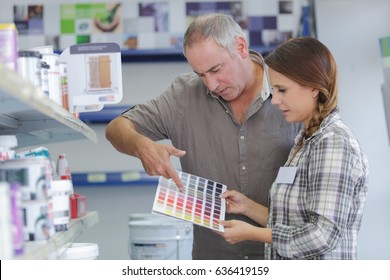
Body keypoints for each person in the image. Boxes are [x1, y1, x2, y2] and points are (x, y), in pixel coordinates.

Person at [105, 13, 301, 260]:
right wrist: (141, 145)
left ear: (240, 47)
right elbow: (116, 128)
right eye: (200, 74)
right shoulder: (183, 96)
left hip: (285, 258)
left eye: (216, 69)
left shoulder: (290, 88)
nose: (210, 85)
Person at [219, 37, 369, 259]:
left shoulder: (333, 143)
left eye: (282, 90)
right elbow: (293, 221)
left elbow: (321, 236)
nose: (275, 100)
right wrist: (247, 208)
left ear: (314, 88)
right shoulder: (305, 140)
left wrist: (255, 234)